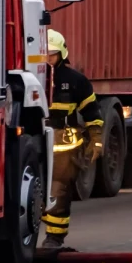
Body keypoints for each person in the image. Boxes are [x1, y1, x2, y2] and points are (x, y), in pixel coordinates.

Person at [41, 29, 104, 249]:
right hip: (34, 142)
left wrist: (96, 139)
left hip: (63, 145)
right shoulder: (29, 77)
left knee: (59, 190)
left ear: (61, 54)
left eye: (52, 54)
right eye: (44, 54)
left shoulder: (76, 81)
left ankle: (54, 237)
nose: (48, 59)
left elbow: (92, 112)